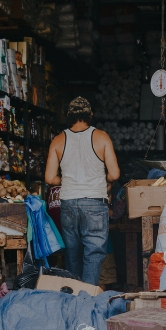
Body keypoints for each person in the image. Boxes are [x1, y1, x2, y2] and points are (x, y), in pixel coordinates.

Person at [45, 97, 120, 285]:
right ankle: (87, 299)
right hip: (95, 202)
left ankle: (75, 298)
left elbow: (49, 178)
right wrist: (105, 181)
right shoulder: (102, 137)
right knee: (93, 254)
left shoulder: (58, 140)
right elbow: (115, 173)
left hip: (69, 203)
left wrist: (67, 180)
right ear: (90, 115)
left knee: (73, 253)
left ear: (69, 116)